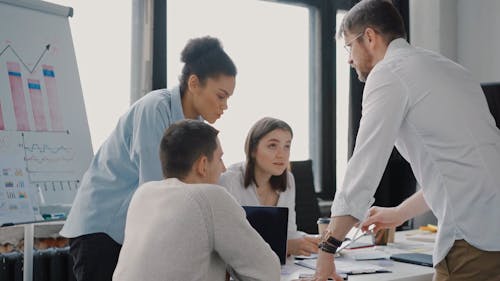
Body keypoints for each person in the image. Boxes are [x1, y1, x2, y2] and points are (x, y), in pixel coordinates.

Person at [303, 1, 500, 280]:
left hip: (473, 240)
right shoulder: (453, 71)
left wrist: (327, 249)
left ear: (369, 37)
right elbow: (456, 168)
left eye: (348, 46)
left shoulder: (389, 72)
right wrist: (399, 213)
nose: (348, 59)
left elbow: (363, 169)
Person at [60, 36, 237, 281]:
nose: (225, 106)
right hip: (103, 228)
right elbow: (158, 192)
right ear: (194, 83)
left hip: (133, 231)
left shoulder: (195, 128)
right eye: (220, 96)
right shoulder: (155, 109)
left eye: (228, 98)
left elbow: (206, 182)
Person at [112, 120, 280, 281]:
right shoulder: (212, 197)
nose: (223, 168)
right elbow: (268, 273)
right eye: (219, 158)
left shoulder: (143, 194)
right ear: (203, 165)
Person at [219, 117, 320, 256]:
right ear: (253, 150)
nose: (281, 155)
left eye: (287, 146)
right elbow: (228, 241)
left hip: (280, 268)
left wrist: (311, 240)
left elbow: (289, 232)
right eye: (273, 145)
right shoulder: (229, 181)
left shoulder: (288, 180)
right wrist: (284, 246)